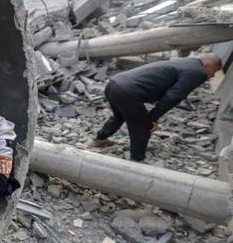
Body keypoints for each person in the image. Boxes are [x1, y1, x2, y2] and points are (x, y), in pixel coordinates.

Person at [90, 54, 221, 162]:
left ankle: (100, 139)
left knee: (119, 116)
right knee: (143, 127)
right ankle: (136, 161)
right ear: (207, 65)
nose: (213, 76)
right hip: (128, 91)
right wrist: (152, 118)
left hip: (115, 84)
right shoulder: (198, 72)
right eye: (214, 71)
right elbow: (173, 97)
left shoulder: (187, 62)